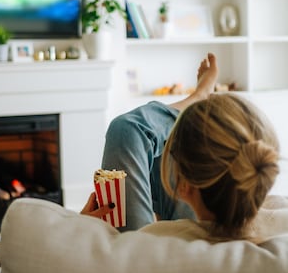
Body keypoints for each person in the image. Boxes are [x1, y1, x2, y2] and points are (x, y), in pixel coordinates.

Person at [82, 53, 284, 242]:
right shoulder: (280, 234)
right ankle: (195, 102)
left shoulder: (146, 243)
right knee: (159, 150)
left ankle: (194, 100)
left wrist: (80, 226)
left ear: (184, 187)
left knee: (127, 129)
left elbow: (131, 130)